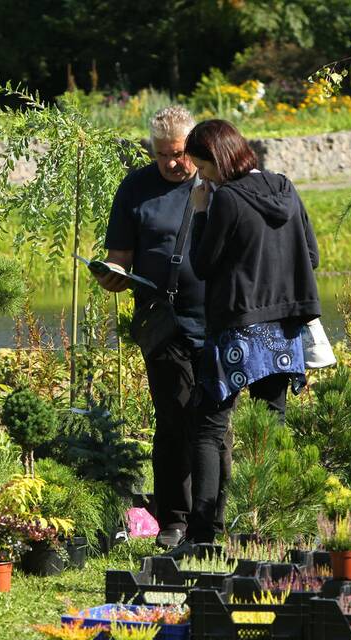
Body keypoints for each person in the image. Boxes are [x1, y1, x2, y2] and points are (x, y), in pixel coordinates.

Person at [96, 106, 232, 548]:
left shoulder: (216, 183)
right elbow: (119, 257)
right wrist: (111, 275)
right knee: (172, 421)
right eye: (163, 155)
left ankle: (211, 519)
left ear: (195, 148)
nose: (174, 163)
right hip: (163, 323)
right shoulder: (136, 188)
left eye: (180, 153)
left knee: (212, 427)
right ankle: (174, 519)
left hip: (216, 321)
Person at [186, 118, 321, 535]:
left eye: (203, 168)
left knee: (209, 426)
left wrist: (201, 214)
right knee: (271, 426)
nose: (202, 177)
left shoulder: (225, 200)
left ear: (219, 160)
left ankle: (205, 533)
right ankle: (271, 530)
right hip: (284, 328)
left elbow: (203, 265)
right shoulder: (286, 187)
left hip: (238, 328)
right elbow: (311, 255)